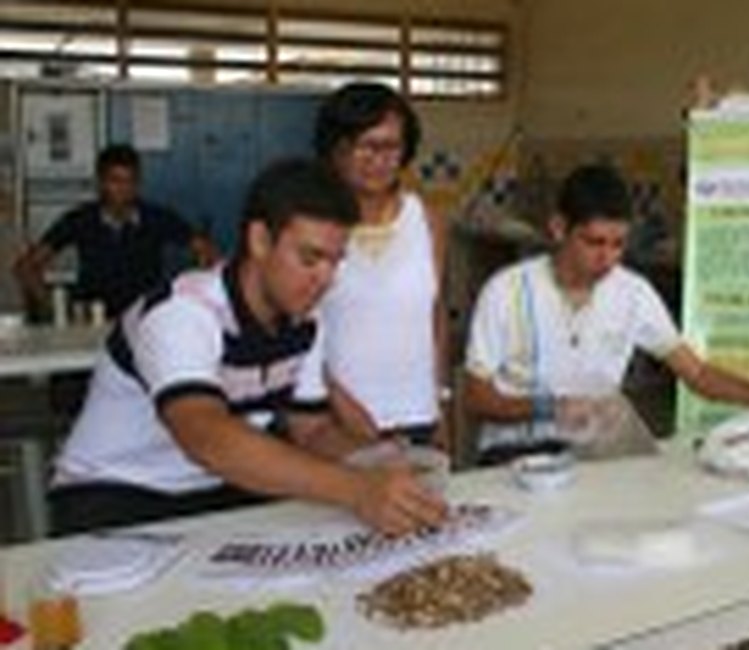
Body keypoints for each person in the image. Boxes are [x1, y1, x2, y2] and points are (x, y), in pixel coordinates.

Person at [49, 158, 446, 536]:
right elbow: (207, 437)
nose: (326, 279)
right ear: (259, 240)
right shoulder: (183, 313)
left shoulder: (306, 319)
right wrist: (357, 489)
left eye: (335, 262)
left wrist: (379, 460)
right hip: (114, 498)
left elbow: (313, 429)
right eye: (310, 258)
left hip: (221, 493)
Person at [464, 164, 749, 464]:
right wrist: (551, 408)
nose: (607, 258)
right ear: (559, 228)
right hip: (515, 454)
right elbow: (476, 399)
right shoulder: (508, 291)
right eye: (594, 242)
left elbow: (698, 374)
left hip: (594, 453)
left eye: (617, 244)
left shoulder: (632, 293)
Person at [315, 82, 450, 451]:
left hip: (417, 417)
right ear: (335, 148)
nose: (378, 159)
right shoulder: (312, 224)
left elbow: (434, 314)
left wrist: (441, 402)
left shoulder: (427, 219)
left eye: (391, 146)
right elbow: (289, 329)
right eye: (364, 145)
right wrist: (337, 405)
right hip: (333, 422)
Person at [12, 143, 218, 321]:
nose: (123, 189)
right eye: (115, 181)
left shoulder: (156, 218)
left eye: (130, 181)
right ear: (101, 182)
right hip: (94, 319)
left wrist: (191, 298)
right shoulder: (81, 220)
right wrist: (54, 309)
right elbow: (26, 267)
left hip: (143, 319)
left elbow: (207, 252)